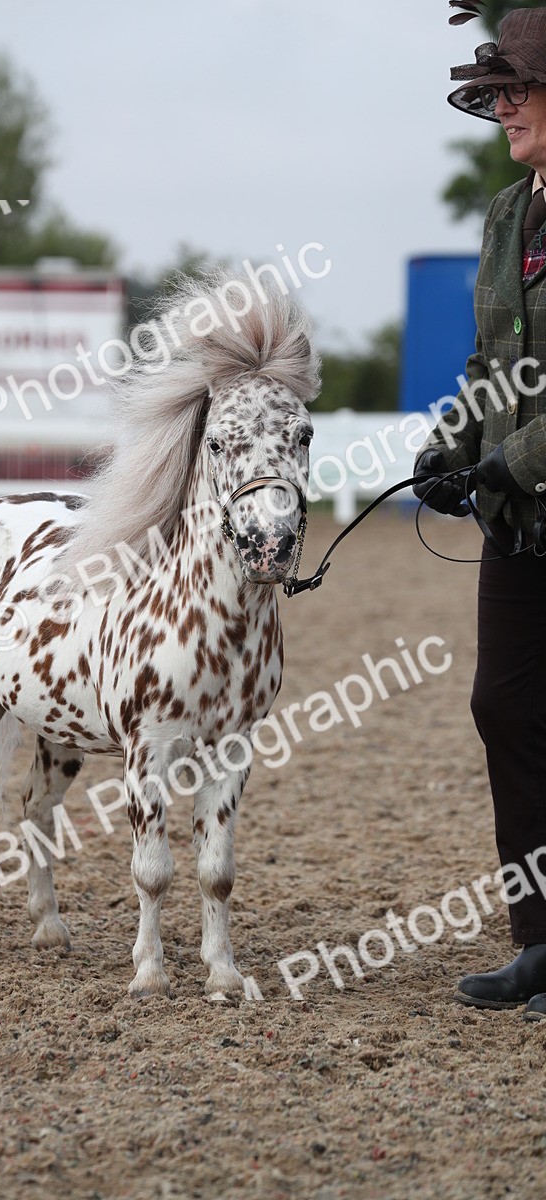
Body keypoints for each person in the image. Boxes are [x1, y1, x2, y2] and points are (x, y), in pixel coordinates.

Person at [413, 6, 546, 1021]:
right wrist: (450, 448)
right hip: (519, 526)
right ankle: (538, 944)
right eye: (495, 90)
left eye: (518, 87)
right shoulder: (506, 213)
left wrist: (511, 460)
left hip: (525, 485)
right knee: (502, 706)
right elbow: (488, 362)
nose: (501, 105)